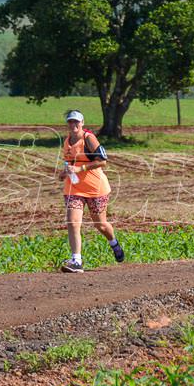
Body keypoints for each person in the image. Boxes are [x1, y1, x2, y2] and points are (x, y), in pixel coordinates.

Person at [57, 110, 125, 273]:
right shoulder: (66, 141)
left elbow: (102, 161)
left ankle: (113, 242)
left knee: (100, 224)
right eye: (70, 122)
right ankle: (76, 260)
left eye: (76, 122)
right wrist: (64, 172)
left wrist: (81, 168)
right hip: (74, 188)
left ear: (82, 123)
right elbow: (70, 162)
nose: (73, 125)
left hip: (95, 188)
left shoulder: (89, 138)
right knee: (73, 222)